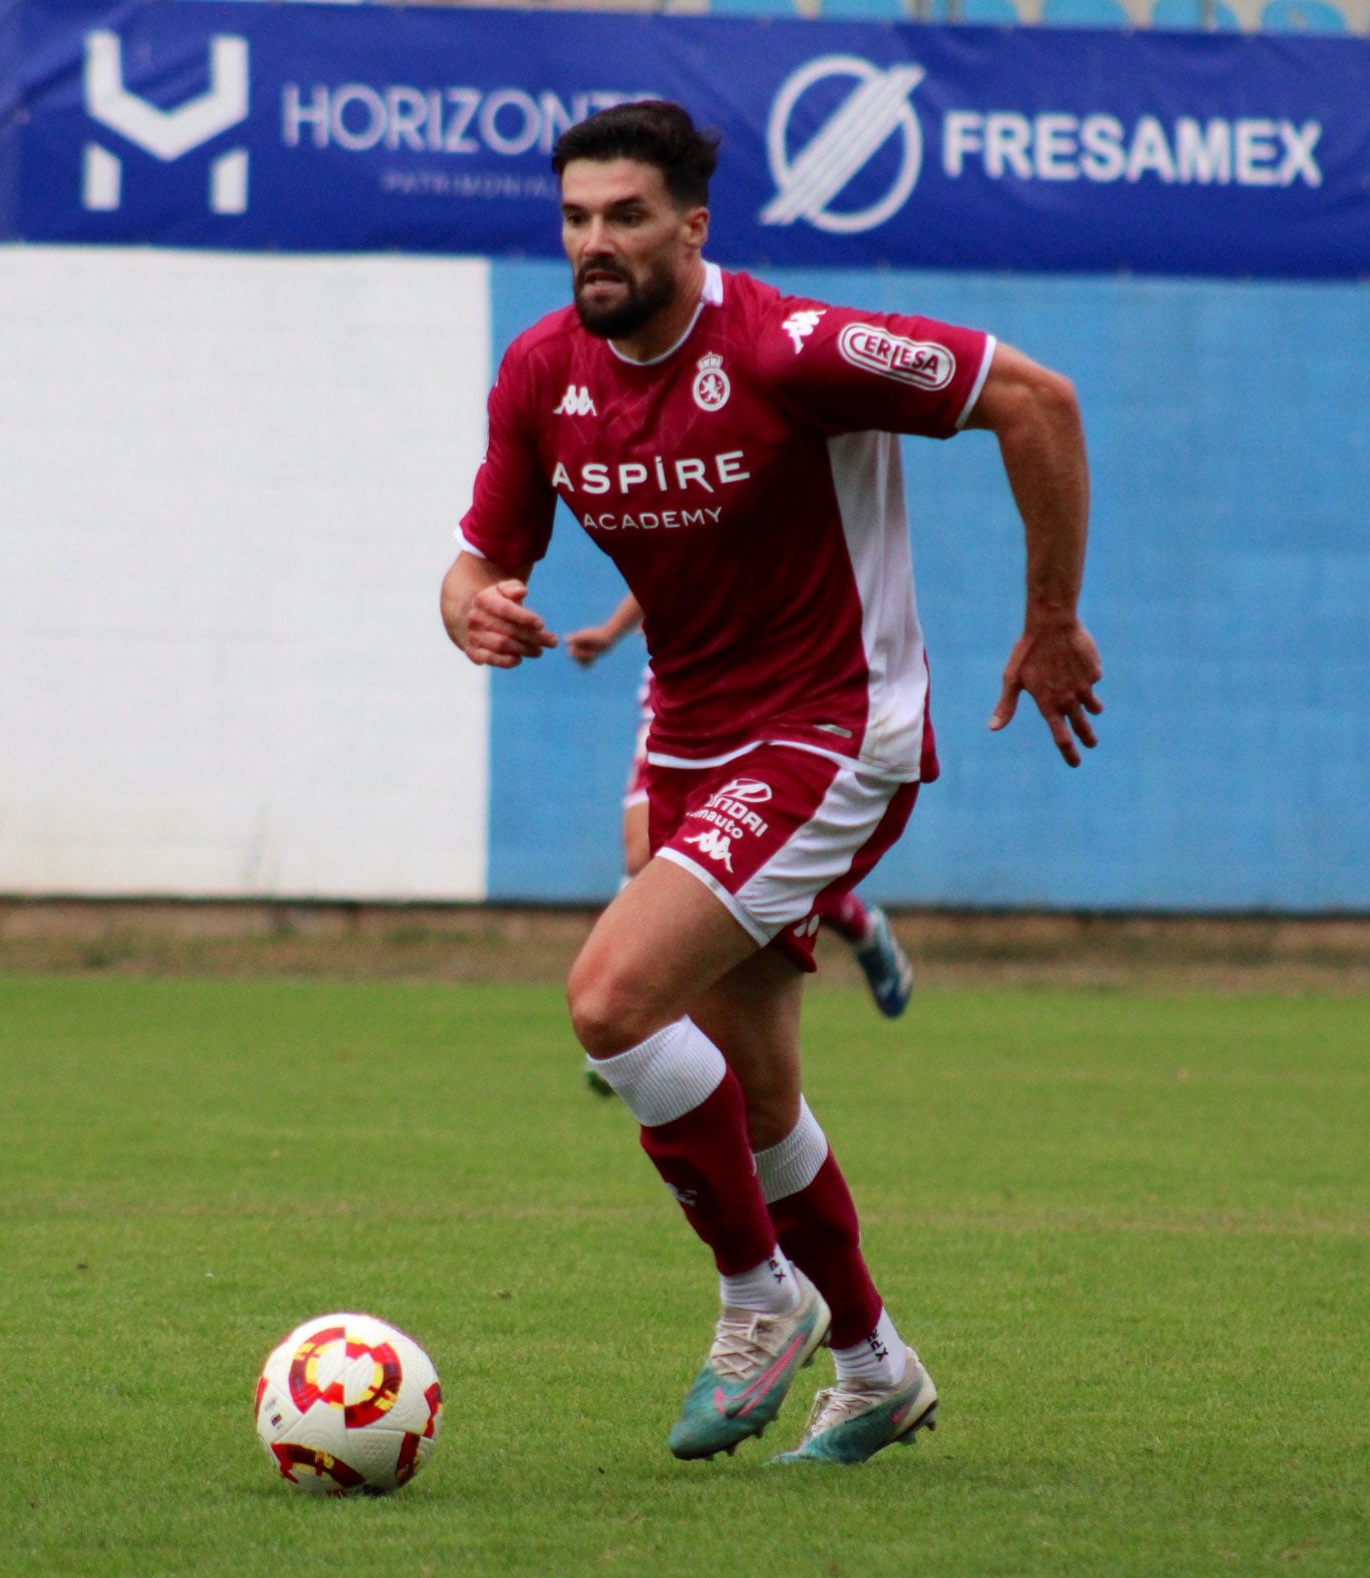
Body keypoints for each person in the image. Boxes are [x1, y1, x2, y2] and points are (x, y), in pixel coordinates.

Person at [438, 101, 1100, 1467]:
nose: (594, 244)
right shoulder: (540, 372)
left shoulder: (791, 347)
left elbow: (1037, 399)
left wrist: (1050, 619)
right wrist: (470, 605)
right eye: (574, 218)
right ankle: (874, 1363)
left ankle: (761, 1300)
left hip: (832, 727)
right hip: (692, 734)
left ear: (693, 222)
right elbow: (480, 554)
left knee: (610, 1003)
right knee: (754, 1095)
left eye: (626, 215)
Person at [565, 591, 915, 1019]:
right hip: (678, 684)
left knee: (750, 858)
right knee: (644, 851)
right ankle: (628, 1007)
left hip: (761, 679)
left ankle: (858, 924)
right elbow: (670, 557)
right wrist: (609, 632)